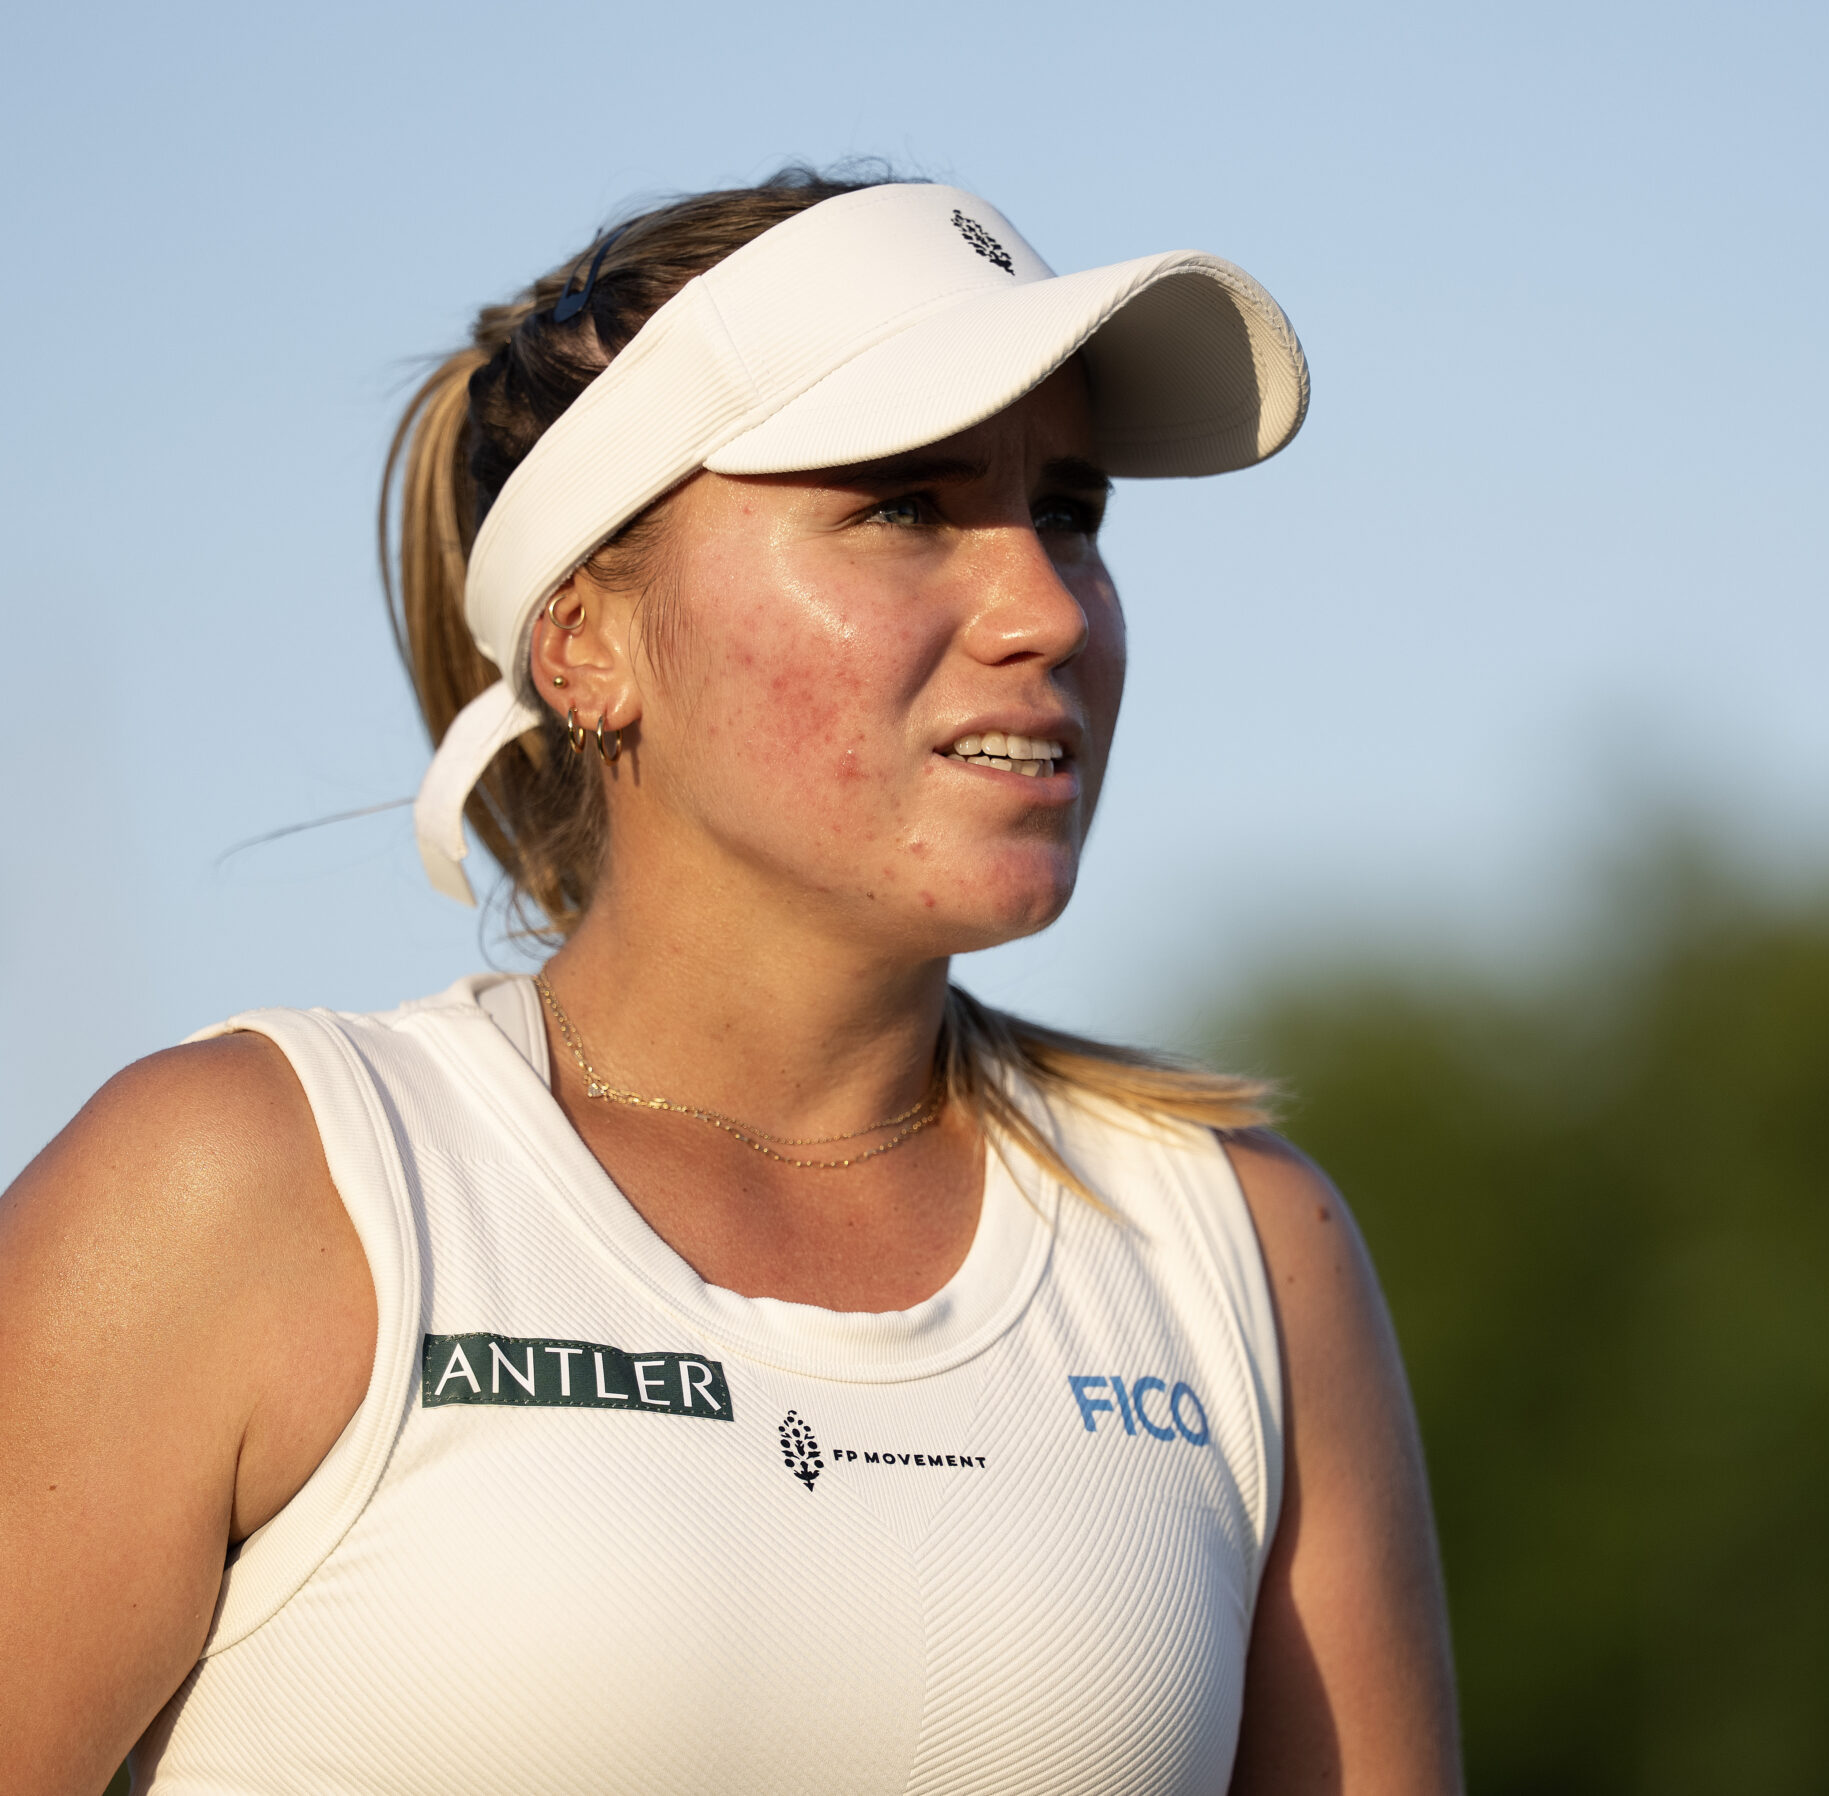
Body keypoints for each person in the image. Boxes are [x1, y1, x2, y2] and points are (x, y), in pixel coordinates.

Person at [0, 167, 1461, 1795]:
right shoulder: (252, 1189)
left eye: (1071, 511)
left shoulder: (1244, 1256)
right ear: (584, 642)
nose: (1048, 608)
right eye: (905, 505)